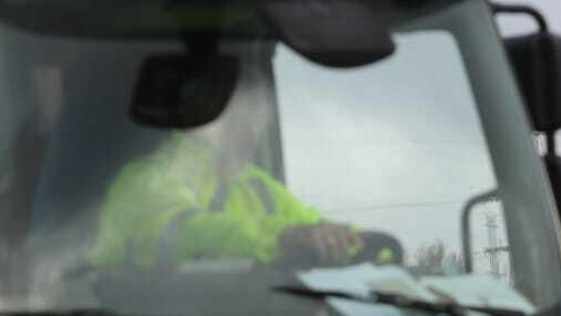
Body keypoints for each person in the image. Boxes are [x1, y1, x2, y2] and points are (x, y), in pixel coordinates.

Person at [91, 64, 362, 271]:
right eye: (241, 116)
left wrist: (356, 242)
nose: (251, 131)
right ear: (202, 117)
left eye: (258, 116)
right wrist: (282, 238)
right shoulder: (146, 180)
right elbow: (188, 232)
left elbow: (315, 227)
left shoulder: (260, 188)